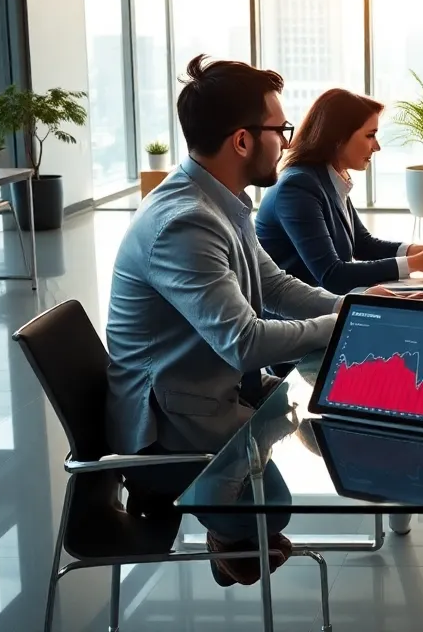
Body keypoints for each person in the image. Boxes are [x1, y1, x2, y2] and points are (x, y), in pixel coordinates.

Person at [105, 56, 398, 588]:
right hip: (167, 429)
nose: (287, 142)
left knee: (342, 405)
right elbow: (242, 342)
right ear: (242, 141)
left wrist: (351, 308)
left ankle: (236, 534)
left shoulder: (219, 202)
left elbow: (279, 289)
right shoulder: (185, 223)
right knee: (272, 512)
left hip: (208, 392)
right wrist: (350, 321)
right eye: (279, 130)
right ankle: (230, 536)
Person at [255, 88, 423, 292]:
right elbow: (333, 276)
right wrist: (414, 263)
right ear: (338, 137)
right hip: (294, 320)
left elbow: (363, 244)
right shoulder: (298, 187)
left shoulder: (328, 178)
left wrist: (420, 251)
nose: (376, 146)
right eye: (370, 135)